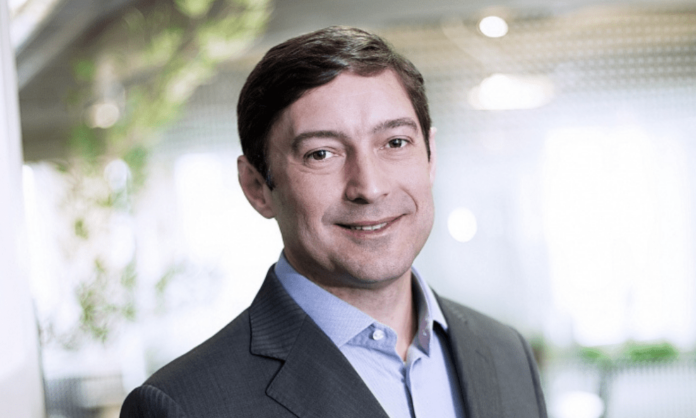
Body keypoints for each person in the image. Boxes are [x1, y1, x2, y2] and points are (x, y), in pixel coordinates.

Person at [120, 26, 547, 418]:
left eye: (395, 142)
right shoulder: (184, 406)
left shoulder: (506, 353)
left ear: (430, 156)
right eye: (321, 154)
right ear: (256, 186)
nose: (370, 187)